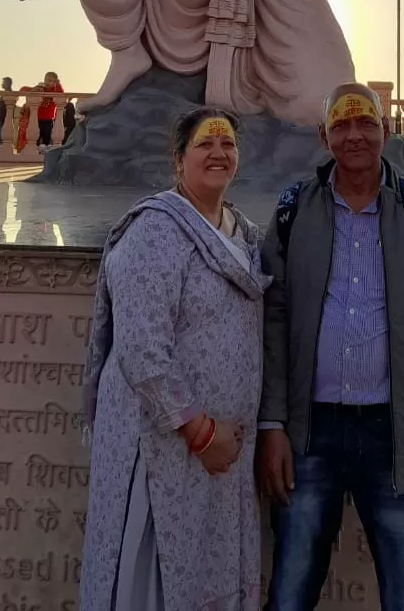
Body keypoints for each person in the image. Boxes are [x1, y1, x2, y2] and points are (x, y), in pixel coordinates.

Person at [259, 83, 404, 611]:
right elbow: (272, 323)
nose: (354, 135)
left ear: (386, 131)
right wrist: (271, 427)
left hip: (397, 434)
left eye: (366, 124)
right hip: (312, 433)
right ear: (323, 135)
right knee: (289, 591)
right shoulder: (293, 212)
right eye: (341, 125)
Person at [79, 106, 269, 610]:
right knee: (155, 577)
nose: (218, 153)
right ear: (179, 159)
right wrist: (199, 430)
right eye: (205, 144)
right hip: (163, 443)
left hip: (224, 454)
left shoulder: (244, 237)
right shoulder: (156, 229)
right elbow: (141, 348)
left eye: (227, 144)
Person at [37, 71, 64, 147]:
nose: (47, 82)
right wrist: (36, 88)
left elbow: (61, 94)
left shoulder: (54, 90)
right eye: (46, 80)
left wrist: (58, 84)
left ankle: (45, 151)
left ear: (54, 82)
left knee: (47, 138)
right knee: (36, 137)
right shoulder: (41, 89)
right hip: (37, 118)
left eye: (50, 80)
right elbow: (25, 89)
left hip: (48, 120)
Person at [0, 77, 13, 150]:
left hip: (4, 119)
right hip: (0, 119)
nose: (2, 84)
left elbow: (2, 109)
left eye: (4, 82)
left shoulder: (9, 94)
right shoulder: (4, 94)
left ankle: (1, 150)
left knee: (1, 136)